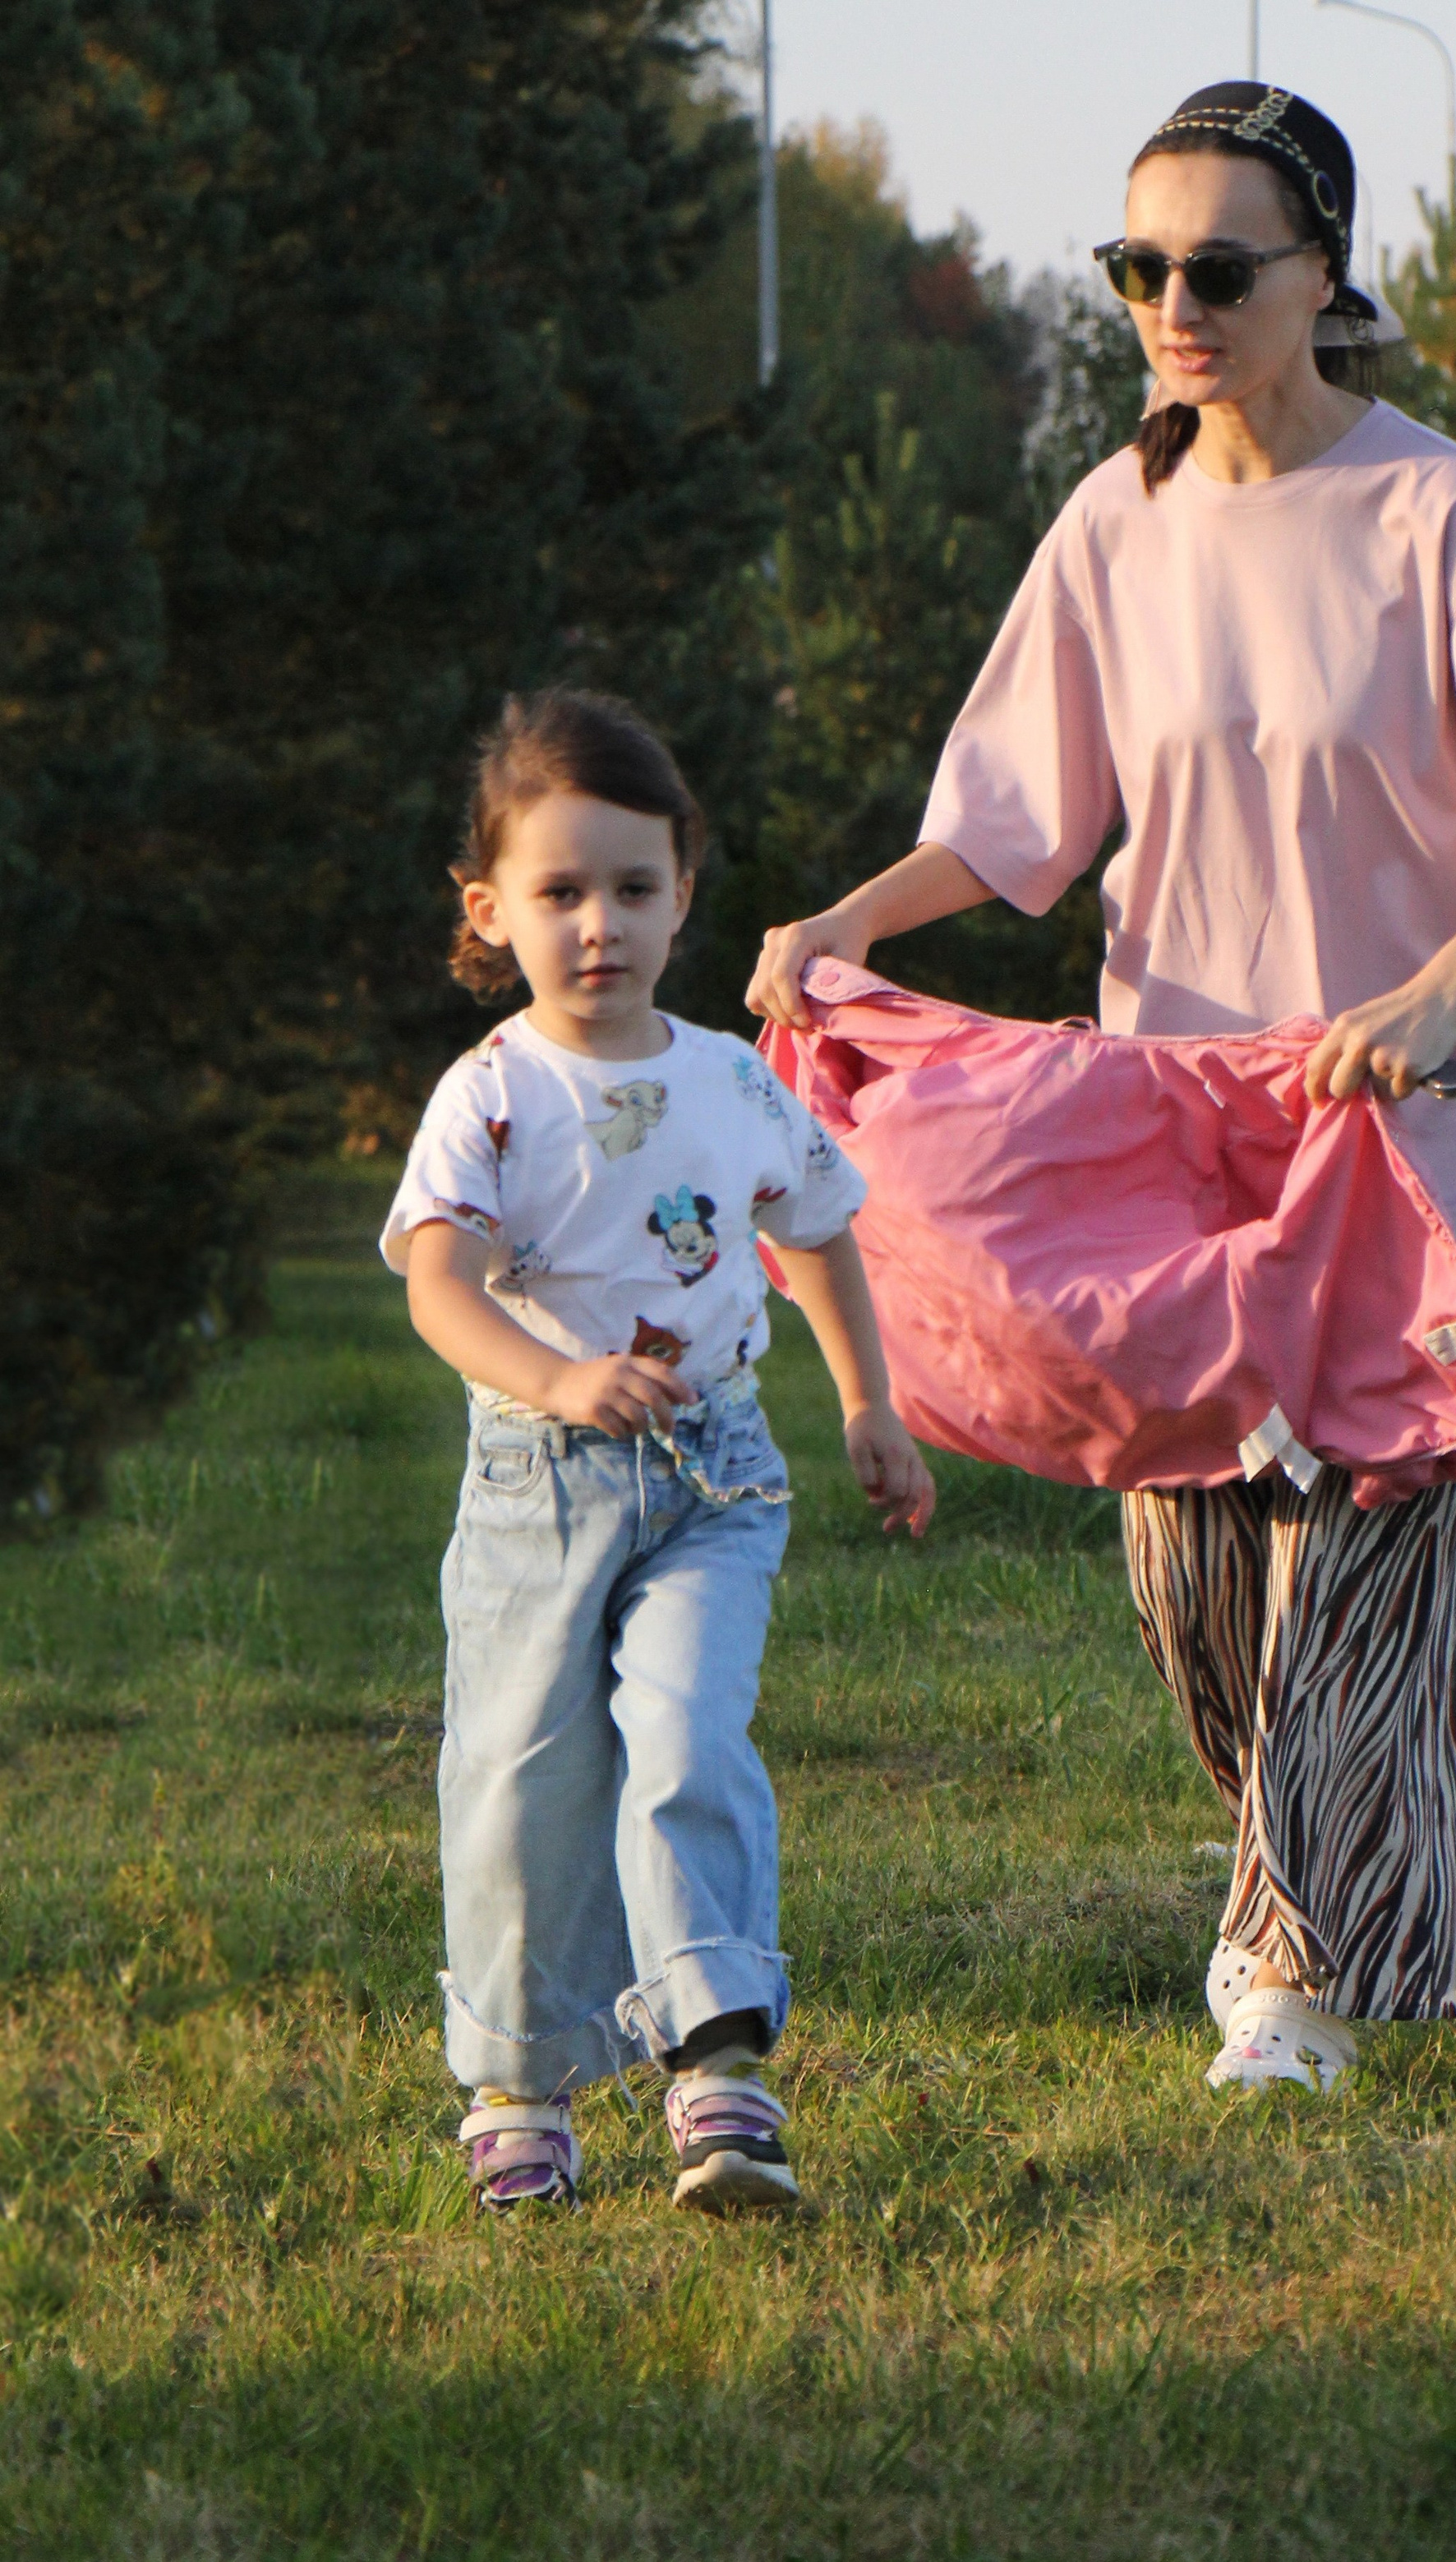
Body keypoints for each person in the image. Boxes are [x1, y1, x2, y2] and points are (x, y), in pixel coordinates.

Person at [748, 83, 1456, 2098]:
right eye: (1140, 267)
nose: (1174, 302)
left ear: (1323, 279)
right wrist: (844, 919)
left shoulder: (1446, 513)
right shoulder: (1116, 518)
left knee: (1364, 1550)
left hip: (1434, 1131)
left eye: (1218, 266)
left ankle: (1287, 1972)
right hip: (1177, 1145)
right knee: (1190, 1570)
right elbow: (1010, 822)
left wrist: (1436, 989)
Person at [382, 688, 934, 2214]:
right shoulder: (491, 1094)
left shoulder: (730, 1080)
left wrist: (866, 1407)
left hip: (714, 1478)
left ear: (687, 888)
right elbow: (436, 1278)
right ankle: (522, 2081)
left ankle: (720, 2070)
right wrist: (556, 1378)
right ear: (493, 910)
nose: (599, 925)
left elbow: (814, 1229)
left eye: (633, 888)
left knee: (686, 1739)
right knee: (518, 1782)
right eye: (559, 893)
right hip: (534, 1490)